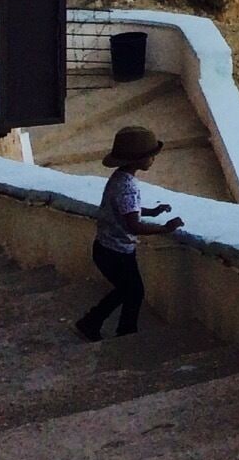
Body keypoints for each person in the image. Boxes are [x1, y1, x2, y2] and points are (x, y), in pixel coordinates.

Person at [74, 125, 185, 341]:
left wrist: (152, 211)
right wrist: (164, 228)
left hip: (105, 248)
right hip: (117, 253)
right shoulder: (128, 186)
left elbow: (126, 209)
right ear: (137, 160)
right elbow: (132, 225)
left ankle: (97, 324)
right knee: (133, 291)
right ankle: (118, 331)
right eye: (150, 156)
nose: (153, 159)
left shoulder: (119, 179)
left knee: (127, 290)